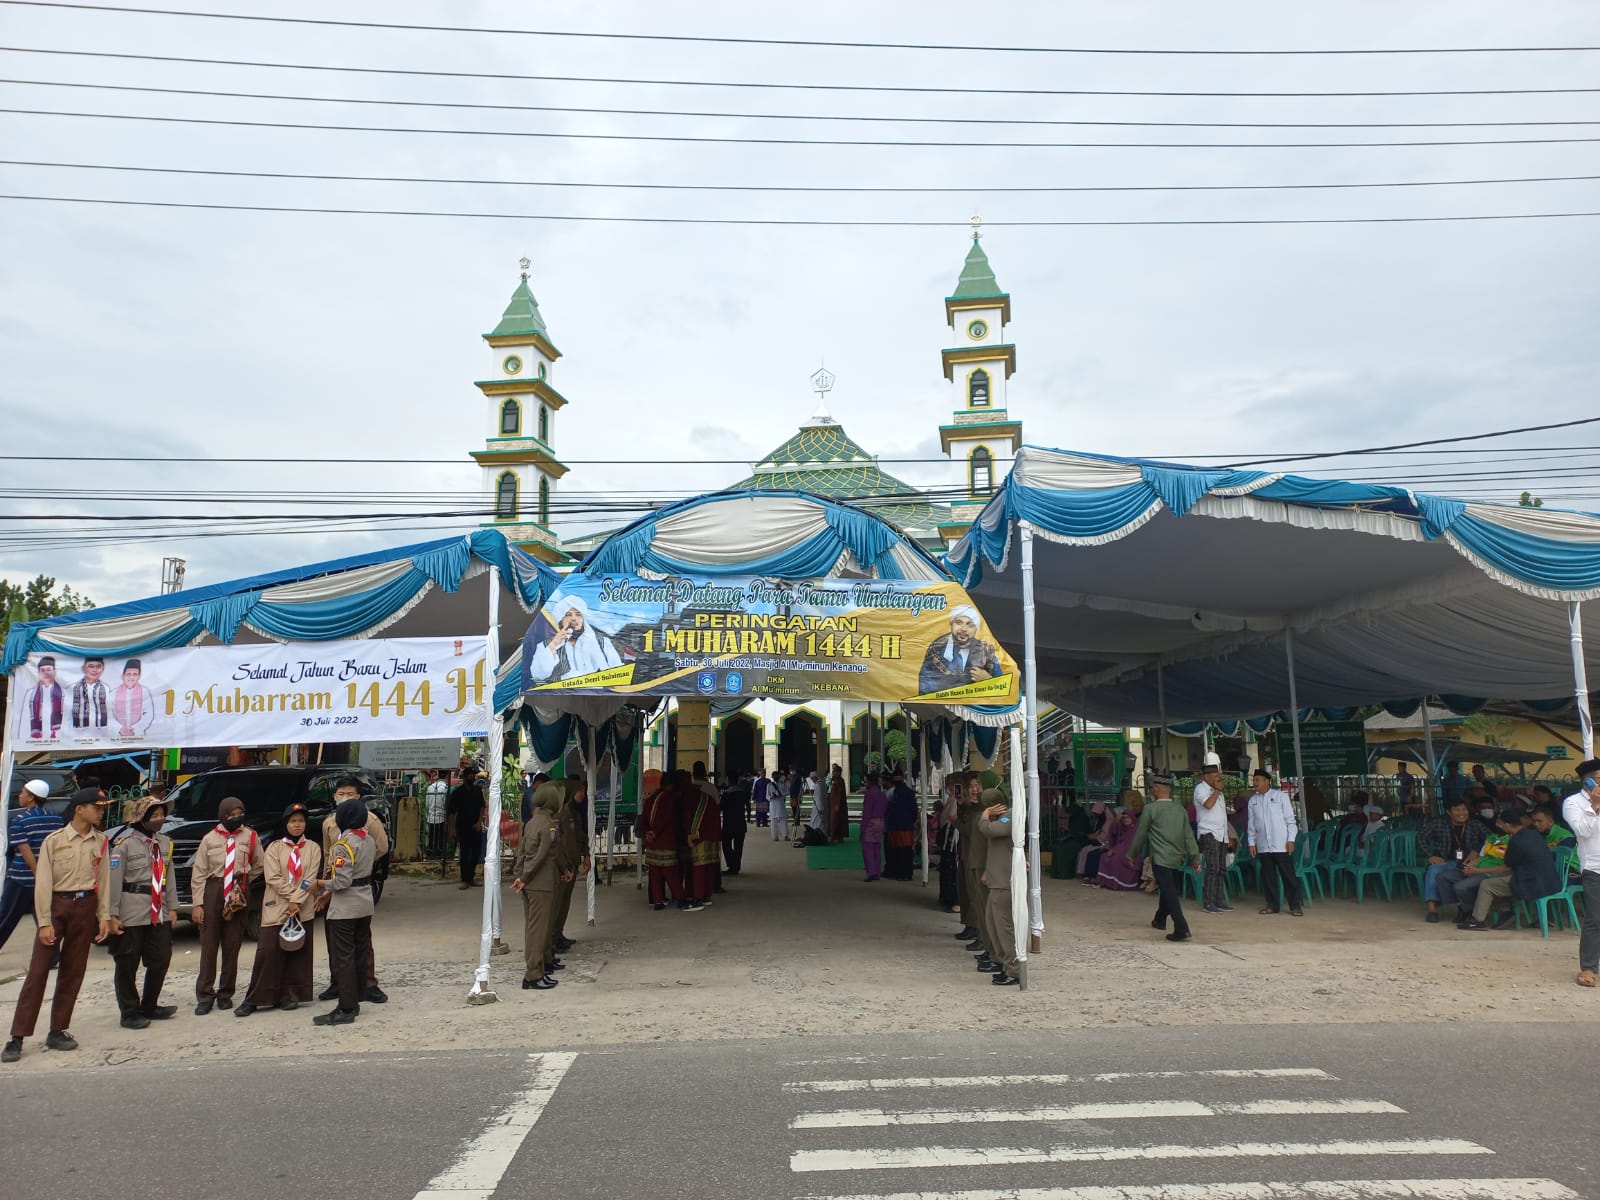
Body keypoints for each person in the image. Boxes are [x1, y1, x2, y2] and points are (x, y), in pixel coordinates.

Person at [2, 788, 112, 1063]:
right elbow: (43, 882)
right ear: (79, 809)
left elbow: (104, 880)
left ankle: (57, 1030)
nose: (101, 812)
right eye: (96, 807)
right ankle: (17, 1036)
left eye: (102, 807)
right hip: (57, 905)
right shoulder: (55, 840)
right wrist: (44, 922)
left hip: (85, 907)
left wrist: (105, 916)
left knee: (73, 971)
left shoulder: (101, 841)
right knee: (38, 972)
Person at [238, 803, 323, 1016]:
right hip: (277, 906)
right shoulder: (275, 847)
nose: (297, 825)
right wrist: (292, 898)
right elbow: (273, 877)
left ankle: (289, 995)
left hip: (302, 908)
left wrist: (298, 900)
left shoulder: (313, 848)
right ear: (286, 823)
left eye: (301, 821)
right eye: (293, 821)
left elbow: (310, 878)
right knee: (268, 952)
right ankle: (256, 998)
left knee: (296, 952)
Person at [106, 794, 178, 1029]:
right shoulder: (124, 846)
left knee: (161, 958)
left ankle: (150, 1005)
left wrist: (173, 907)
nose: (159, 819)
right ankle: (129, 1012)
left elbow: (170, 878)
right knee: (127, 962)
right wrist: (112, 914)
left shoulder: (165, 843)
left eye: (161, 815)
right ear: (141, 818)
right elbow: (114, 881)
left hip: (159, 910)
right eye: (154, 816)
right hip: (131, 908)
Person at [318, 778, 389, 1005]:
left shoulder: (370, 822)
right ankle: (339, 982)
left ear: (359, 796)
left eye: (350, 793)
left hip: (349, 887)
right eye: (341, 793)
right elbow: (328, 854)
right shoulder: (330, 822)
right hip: (347, 884)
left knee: (356, 944)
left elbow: (382, 847)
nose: (345, 797)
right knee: (337, 942)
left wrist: (355, 866)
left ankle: (364, 986)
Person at [191, 796, 263, 1014]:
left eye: (239, 813)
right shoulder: (209, 839)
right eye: (231, 815)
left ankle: (225, 993)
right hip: (213, 891)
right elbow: (199, 873)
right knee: (209, 945)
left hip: (238, 892)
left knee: (232, 945)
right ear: (222, 816)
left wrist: (243, 884)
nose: (235, 818)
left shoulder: (250, 836)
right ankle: (205, 995)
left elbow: (259, 864)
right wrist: (197, 904)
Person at [315, 798, 376, 1025]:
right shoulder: (368, 840)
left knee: (344, 958)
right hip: (365, 903)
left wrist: (321, 884)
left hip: (346, 907)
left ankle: (346, 1007)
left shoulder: (343, 845)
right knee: (360, 952)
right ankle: (358, 996)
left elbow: (341, 882)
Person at [1460, 806, 1561, 931]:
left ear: (1508, 824)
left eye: (1501, 824)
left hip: (1532, 883)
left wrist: (1477, 871)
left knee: (1486, 884)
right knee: (1497, 880)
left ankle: (1478, 920)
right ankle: (1506, 911)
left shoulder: (1516, 841)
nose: (1500, 826)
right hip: (1549, 879)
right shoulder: (1533, 834)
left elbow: (1505, 867)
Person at [1130, 772, 1203, 943]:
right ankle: (1160, 919)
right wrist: (1195, 858)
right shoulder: (1180, 810)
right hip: (1176, 858)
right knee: (1168, 888)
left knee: (1169, 891)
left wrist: (1132, 854)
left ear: (1155, 789)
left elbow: (1140, 835)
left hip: (1160, 858)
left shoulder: (1150, 809)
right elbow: (1188, 837)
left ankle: (1181, 928)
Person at [0, 779, 61, 954]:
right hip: (47, 878)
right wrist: (44, 876)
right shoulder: (55, 818)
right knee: (44, 919)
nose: (20, 795)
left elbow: (24, 850)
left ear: (31, 797)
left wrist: (36, 872)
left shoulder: (20, 820)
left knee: (6, 916)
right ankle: (52, 957)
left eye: (23, 793)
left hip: (21, 877)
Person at [511, 781, 561, 989]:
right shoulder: (548, 825)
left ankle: (537, 971)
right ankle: (533, 974)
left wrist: (520, 875)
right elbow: (541, 857)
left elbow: (522, 852)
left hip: (529, 883)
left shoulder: (531, 823)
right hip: (540, 883)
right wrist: (525, 877)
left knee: (532, 929)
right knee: (538, 932)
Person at [1418, 797, 1490, 924]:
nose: (1462, 813)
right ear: (1448, 812)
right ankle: (1432, 909)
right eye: (1457, 810)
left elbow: (1491, 839)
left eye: (1464, 809)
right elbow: (1420, 838)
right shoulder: (1438, 823)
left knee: (1466, 879)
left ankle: (1461, 909)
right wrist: (1429, 855)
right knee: (1433, 870)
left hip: (1469, 863)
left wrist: (1478, 851)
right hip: (1446, 861)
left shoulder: (1475, 824)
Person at [1561, 759, 1600, 988]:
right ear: (1587, 781)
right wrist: (1595, 807)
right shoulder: (1573, 803)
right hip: (1594, 867)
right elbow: (1583, 832)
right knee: (1596, 918)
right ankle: (1588, 968)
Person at [1247, 769, 1302, 917]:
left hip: (1281, 844)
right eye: (1254, 780)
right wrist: (1251, 842)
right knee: (1268, 876)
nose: (1255, 783)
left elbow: (1291, 821)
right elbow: (1251, 824)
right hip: (1264, 845)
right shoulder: (1253, 801)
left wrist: (1291, 840)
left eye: (1258, 780)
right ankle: (1272, 905)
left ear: (1267, 781)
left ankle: (1295, 906)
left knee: (1288, 876)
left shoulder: (1280, 797)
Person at [977, 792, 1020, 985]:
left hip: (1004, 882)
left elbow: (990, 830)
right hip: (996, 880)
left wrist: (985, 815)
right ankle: (1004, 963)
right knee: (992, 924)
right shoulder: (1003, 817)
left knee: (1004, 927)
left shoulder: (1008, 816)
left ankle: (1014, 970)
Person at [528, 595, 621, 682]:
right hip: (563, 697)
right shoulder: (545, 646)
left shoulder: (602, 642)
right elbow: (538, 675)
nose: (574, 618)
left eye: (578, 614)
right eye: (568, 614)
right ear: (560, 619)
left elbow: (618, 673)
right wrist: (553, 645)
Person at [917, 605, 1001, 694]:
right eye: (959, 622)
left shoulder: (985, 651)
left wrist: (988, 681)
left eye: (970, 624)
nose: (964, 629)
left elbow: (1002, 687)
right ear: (951, 624)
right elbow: (925, 687)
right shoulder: (937, 648)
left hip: (975, 706)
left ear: (976, 629)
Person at [1193, 756, 1234, 914]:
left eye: (1219, 776)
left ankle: (1219, 900)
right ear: (1206, 776)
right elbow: (1208, 805)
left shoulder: (1219, 793)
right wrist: (1217, 790)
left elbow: (1222, 816)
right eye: (1215, 776)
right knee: (1212, 868)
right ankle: (1208, 902)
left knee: (1221, 869)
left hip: (1221, 834)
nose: (1218, 779)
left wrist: (1227, 835)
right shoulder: (1201, 789)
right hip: (1208, 833)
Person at [641, 774, 684, 910]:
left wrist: (648, 832)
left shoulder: (650, 799)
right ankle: (680, 898)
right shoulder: (670, 799)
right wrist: (656, 832)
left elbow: (644, 818)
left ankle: (658, 901)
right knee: (670, 872)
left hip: (652, 842)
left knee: (655, 873)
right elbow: (667, 818)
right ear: (671, 785)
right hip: (665, 841)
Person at [684, 768, 721, 907]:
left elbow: (687, 816)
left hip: (699, 834)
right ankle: (706, 895)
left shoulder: (690, 797)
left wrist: (689, 834)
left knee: (698, 867)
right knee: (709, 866)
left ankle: (698, 897)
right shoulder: (710, 789)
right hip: (712, 832)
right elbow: (717, 805)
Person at [450, 766, 487, 889]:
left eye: (474, 775)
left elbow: (482, 806)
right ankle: (464, 879)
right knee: (465, 853)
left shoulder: (477, 791)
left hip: (475, 826)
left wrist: (479, 822)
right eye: (471, 775)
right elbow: (451, 812)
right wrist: (451, 829)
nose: (473, 777)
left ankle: (471, 877)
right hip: (462, 826)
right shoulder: (457, 793)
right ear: (465, 777)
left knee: (476, 853)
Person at [1094, 802, 1143, 891]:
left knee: (1116, 859)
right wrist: (1116, 821)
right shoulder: (1122, 827)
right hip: (1120, 850)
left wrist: (1114, 850)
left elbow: (1129, 843)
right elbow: (1113, 833)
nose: (1125, 820)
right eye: (1123, 818)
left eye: (1127, 818)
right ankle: (1108, 883)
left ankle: (1119, 884)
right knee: (1104, 857)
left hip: (1131, 852)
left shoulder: (1135, 828)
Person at [884, 768, 918, 881]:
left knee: (897, 850)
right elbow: (914, 811)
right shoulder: (908, 792)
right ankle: (906, 873)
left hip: (896, 825)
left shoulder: (895, 792)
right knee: (906, 850)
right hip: (905, 825)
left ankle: (899, 872)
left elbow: (889, 809)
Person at [110, 658, 156, 738]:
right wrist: (120, 728)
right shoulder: (114, 693)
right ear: (123, 676)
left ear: (139, 676)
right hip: (117, 735)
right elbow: (109, 714)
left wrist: (135, 729)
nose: (131, 677)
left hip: (137, 735)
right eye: (128, 674)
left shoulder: (144, 691)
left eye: (135, 674)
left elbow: (149, 714)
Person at [21, 655, 64, 740]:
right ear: (39, 673)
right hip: (36, 742)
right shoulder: (30, 694)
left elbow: (67, 719)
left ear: (54, 671)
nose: (46, 673)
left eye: (49, 669)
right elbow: (24, 719)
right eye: (42, 670)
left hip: (58, 740)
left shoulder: (63, 693)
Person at [936, 777, 961, 910]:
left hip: (953, 839)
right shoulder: (952, 798)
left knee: (952, 870)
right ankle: (948, 898)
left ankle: (954, 899)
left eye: (950, 784)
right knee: (948, 869)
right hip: (948, 838)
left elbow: (953, 815)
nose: (948, 787)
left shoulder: (956, 798)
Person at [858, 771, 888, 882]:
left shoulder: (870, 794)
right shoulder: (881, 794)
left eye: (866, 782)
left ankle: (871, 872)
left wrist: (862, 828)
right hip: (880, 821)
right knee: (876, 847)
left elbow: (867, 812)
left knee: (868, 847)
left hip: (871, 821)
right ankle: (877, 870)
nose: (865, 784)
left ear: (870, 782)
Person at [69, 656, 109, 732]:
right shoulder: (73, 688)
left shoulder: (106, 689)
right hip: (77, 735)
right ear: (84, 668)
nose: (95, 670)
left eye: (98, 667)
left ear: (102, 669)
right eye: (91, 666)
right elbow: (66, 713)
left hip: (101, 735)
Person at [720, 773, 749, 876]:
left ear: (729, 781)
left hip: (729, 824)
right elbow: (748, 805)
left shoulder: (726, 794)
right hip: (740, 823)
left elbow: (720, 808)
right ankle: (736, 866)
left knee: (726, 845)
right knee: (738, 847)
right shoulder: (742, 793)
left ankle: (732, 865)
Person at [423, 769, 448, 858]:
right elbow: (445, 803)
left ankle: (430, 853)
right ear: (447, 776)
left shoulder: (430, 787)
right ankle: (438, 854)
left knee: (432, 836)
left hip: (431, 816)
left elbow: (427, 803)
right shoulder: (445, 787)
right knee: (440, 837)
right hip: (441, 816)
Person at [803, 770, 829, 846]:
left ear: (815, 777)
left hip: (819, 808)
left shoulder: (818, 785)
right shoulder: (823, 783)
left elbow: (818, 798)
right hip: (823, 806)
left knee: (818, 823)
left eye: (812, 779)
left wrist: (820, 808)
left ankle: (818, 838)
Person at [827, 763, 849, 843]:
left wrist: (837, 805)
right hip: (832, 802)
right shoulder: (833, 780)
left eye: (835, 771)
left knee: (835, 820)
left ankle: (835, 836)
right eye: (833, 771)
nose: (833, 773)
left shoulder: (840, 781)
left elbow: (840, 793)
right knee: (833, 819)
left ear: (839, 772)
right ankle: (836, 836)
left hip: (837, 803)